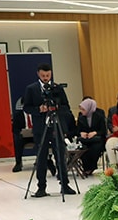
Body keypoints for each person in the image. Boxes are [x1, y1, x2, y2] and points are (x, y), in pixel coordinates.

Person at [21, 64, 76, 198]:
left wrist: (56, 108)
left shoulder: (57, 88)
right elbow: (26, 107)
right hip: (41, 127)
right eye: (43, 75)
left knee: (60, 155)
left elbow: (66, 107)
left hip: (56, 126)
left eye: (48, 75)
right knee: (41, 157)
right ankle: (41, 187)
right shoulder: (31, 89)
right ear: (38, 74)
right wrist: (39, 109)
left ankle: (64, 184)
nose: (46, 78)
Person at [74, 98, 107, 176]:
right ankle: (86, 168)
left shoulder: (99, 117)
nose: (82, 111)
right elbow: (77, 131)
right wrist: (81, 133)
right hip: (85, 140)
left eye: (83, 109)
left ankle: (91, 167)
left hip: (97, 140)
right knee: (83, 149)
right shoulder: (81, 118)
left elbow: (103, 131)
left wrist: (95, 133)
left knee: (95, 148)